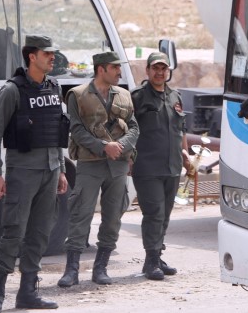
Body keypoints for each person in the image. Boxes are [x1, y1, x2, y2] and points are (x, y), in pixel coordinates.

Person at [0, 35, 69, 312]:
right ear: (32, 56)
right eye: (47, 53)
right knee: (13, 232)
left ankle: (28, 292)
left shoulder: (54, 87)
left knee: (40, 233)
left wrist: (61, 170)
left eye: (52, 53)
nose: (52, 58)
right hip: (22, 172)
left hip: (50, 170)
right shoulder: (12, 90)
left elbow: (57, 131)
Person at [57, 51, 139, 288]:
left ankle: (100, 268)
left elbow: (134, 127)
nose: (119, 72)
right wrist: (104, 146)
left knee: (113, 217)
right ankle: (71, 270)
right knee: (80, 215)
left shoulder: (124, 95)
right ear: (101, 69)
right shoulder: (78, 95)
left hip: (118, 165)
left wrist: (121, 146)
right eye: (115, 68)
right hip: (90, 164)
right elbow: (77, 129)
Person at [131, 52, 189, 280]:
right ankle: (152, 259)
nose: (160, 72)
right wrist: (128, 157)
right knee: (154, 213)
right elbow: (127, 129)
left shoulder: (175, 96)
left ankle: (155, 257)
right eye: (155, 68)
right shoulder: (137, 97)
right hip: (147, 166)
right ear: (147, 71)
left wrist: (186, 155)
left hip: (172, 165)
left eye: (164, 68)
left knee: (164, 214)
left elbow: (181, 128)